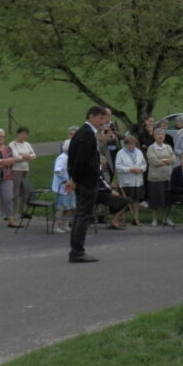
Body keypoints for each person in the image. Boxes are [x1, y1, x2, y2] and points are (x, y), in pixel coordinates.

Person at [66, 106, 110, 262]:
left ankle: (76, 250)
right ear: (92, 117)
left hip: (84, 179)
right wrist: (74, 179)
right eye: (100, 118)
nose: (102, 122)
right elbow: (80, 160)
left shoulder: (84, 133)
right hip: (86, 181)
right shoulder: (86, 134)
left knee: (81, 214)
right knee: (83, 215)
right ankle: (77, 251)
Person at [145, 128, 175, 226]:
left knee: (167, 199)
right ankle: (154, 219)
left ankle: (165, 218)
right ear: (154, 136)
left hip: (167, 177)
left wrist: (162, 160)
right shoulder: (151, 148)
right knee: (155, 200)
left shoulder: (168, 147)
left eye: (162, 134)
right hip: (155, 178)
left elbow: (173, 159)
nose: (161, 136)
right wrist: (167, 160)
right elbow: (154, 162)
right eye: (158, 134)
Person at [115, 134, 147, 226]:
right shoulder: (120, 153)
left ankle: (136, 218)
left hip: (137, 180)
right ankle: (122, 219)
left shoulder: (139, 152)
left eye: (133, 144)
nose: (131, 146)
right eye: (129, 144)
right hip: (126, 181)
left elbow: (144, 164)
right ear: (125, 144)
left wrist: (141, 169)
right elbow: (118, 167)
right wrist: (129, 169)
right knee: (125, 201)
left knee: (136, 200)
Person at [9, 126, 37, 218]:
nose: (24, 136)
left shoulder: (27, 144)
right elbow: (15, 156)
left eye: (26, 134)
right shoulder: (12, 144)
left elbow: (33, 155)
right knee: (15, 191)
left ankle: (22, 211)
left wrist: (24, 156)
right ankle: (12, 212)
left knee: (24, 190)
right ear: (18, 134)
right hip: (16, 169)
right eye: (22, 134)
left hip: (25, 169)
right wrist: (25, 156)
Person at [52, 140, 73, 233]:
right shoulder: (62, 158)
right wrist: (65, 180)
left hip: (70, 185)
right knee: (61, 206)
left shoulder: (70, 157)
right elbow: (58, 171)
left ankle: (65, 224)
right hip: (62, 186)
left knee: (68, 206)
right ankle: (56, 226)